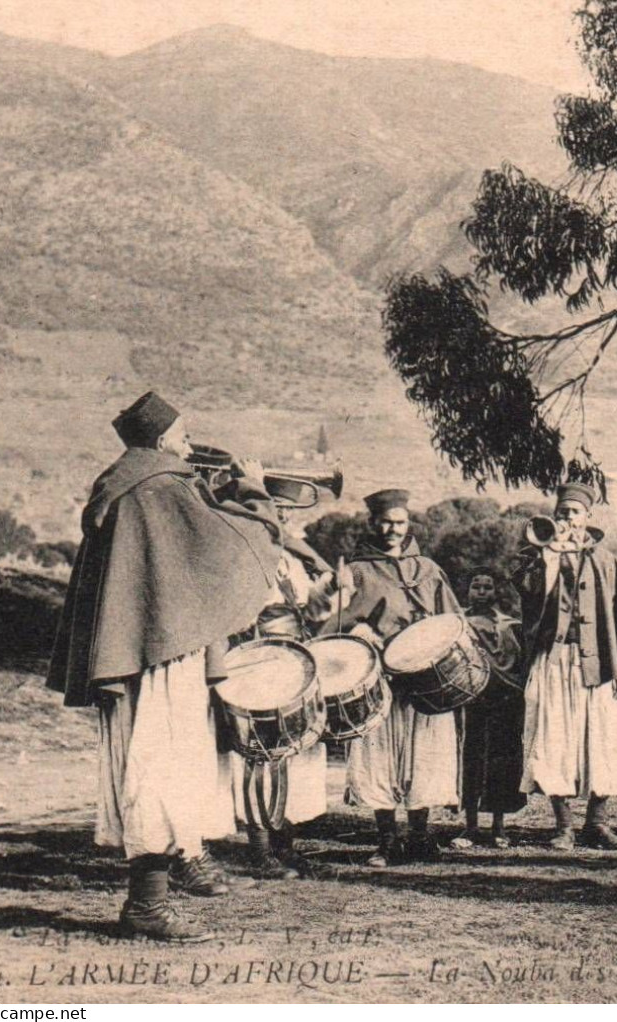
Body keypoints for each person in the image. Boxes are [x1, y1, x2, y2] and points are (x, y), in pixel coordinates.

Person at [49, 392, 281, 941]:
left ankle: (159, 887)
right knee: (160, 768)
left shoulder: (126, 486)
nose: (189, 443)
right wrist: (252, 489)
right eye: (182, 434)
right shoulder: (162, 487)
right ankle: (146, 907)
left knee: (147, 766)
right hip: (162, 658)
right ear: (159, 440)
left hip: (136, 653)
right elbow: (238, 543)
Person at [513, 482, 617, 850]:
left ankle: (597, 823)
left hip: (598, 664)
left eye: (573, 512)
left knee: (602, 739)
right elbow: (528, 596)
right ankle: (563, 827)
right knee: (554, 738)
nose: (566, 519)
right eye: (561, 513)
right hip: (554, 661)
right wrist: (549, 557)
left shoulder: (604, 559)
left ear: (588, 517)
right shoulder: (538, 555)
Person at [225, 506, 352, 880]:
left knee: (294, 749)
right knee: (258, 754)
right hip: (255, 659)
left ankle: (286, 848)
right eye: (271, 511)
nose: (279, 519)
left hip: (294, 657)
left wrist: (330, 586)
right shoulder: (239, 554)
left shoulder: (292, 560)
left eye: (282, 513)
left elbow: (311, 609)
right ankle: (260, 852)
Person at [340, 489, 463, 867]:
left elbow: (451, 619)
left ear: (409, 524)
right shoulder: (357, 571)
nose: (392, 529)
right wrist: (362, 634)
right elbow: (341, 622)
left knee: (424, 753)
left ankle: (421, 836)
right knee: (380, 755)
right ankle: (388, 840)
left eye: (400, 522)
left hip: (426, 679)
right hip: (380, 680)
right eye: (385, 522)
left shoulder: (427, 569)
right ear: (372, 523)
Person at [450, 570, 526, 850]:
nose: (481, 592)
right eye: (476, 586)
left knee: (501, 762)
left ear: (496, 591)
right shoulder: (457, 623)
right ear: (467, 590)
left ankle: (498, 828)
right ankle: (469, 827)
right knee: (471, 760)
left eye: (487, 587)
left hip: (505, 700)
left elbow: (519, 664)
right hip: (470, 699)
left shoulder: (509, 625)